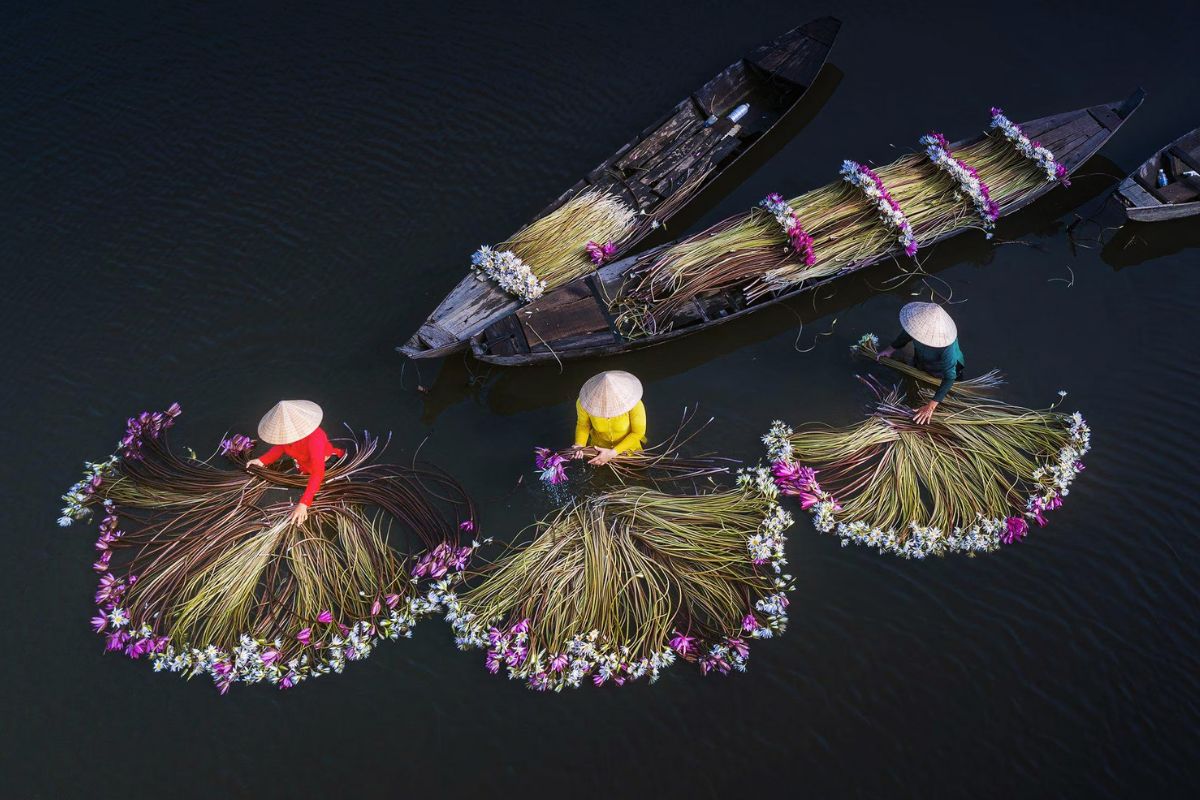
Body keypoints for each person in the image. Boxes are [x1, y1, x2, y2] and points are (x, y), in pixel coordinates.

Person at [246, 400, 346, 524]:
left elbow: (318, 472)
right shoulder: (286, 437)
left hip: (326, 465)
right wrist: (262, 460)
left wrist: (304, 504)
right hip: (304, 465)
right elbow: (279, 448)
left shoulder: (315, 438)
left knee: (322, 488)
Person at [876, 302, 965, 425]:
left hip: (939, 369)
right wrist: (890, 349)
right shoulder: (916, 327)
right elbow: (905, 336)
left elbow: (950, 377)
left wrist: (931, 405)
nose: (917, 335)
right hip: (922, 359)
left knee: (933, 385)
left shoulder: (946, 347)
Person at [570, 370, 647, 466]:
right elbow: (583, 425)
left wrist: (612, 453)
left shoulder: (634, 404)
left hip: (629, 450)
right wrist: (579, 445)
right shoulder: (585, 403)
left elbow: (637, 433)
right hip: (598, 451)